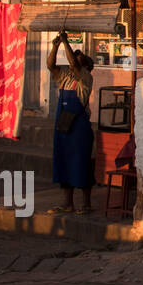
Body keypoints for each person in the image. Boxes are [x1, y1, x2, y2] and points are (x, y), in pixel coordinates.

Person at [46, 31, 95, 215]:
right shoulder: (65, 77)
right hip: (64, 127)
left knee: (82, 165)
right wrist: (56, 45)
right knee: (64, 163)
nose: (75, 57)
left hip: (80, 130)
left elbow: (74, 64)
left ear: (87, 66)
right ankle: (68, 203)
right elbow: (50, 65)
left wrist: (66, 41)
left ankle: (86, 204)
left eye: (79, 56)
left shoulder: (85, 78)